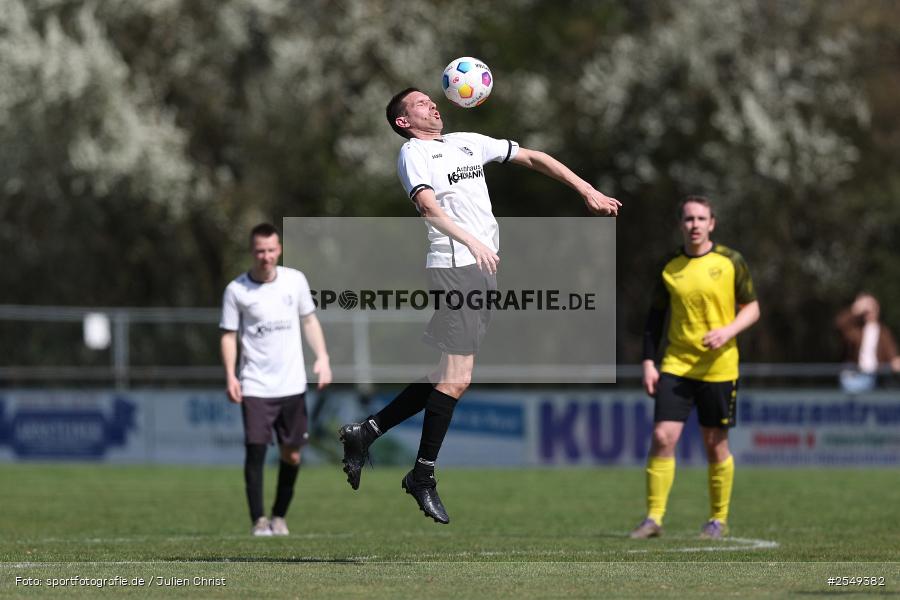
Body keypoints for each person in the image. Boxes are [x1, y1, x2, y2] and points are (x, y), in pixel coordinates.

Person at [338, 87, 620, 524]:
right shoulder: (414, 153)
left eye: (431, 100)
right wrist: (471, 241)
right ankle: (422, 475)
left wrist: (586, 189)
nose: (432, 104)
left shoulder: (466, 142)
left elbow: (532, 157)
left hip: (479, 268)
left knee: (444, 375)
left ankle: (366, 431)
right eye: (420, 103)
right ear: (403, 122)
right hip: (456, 267)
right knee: (458, 378)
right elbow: (428, 207)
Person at [631, 196, 759, 540]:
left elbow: (752, 307)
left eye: (701, 219)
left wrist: (728, 331)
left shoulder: (731, 261)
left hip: (719, 367)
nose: (695, 225)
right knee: (662, 437)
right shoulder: (670, 265)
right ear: (681, 224)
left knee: (715, 444)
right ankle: (653, 518)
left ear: (712, 223)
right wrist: (648, 362)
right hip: (677, 364)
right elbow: (654, 319)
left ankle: (718, 519)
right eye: (689, 219)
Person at [220, 223, 332, 536]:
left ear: (279, 249)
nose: (266, 256)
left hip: (292, 384)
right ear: (251, 251)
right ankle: (259, 520)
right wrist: (230, 374)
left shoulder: (295, 280)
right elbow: (228, 335)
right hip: (255, 384)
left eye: (271, 250)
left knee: (292, 454)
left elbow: (309, 320)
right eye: (260, 251)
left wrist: (322, 357)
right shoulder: (236, 290)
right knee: (256, 449)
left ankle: (279, 516)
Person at [835, 293, 900, 393]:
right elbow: (840, 325)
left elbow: (892, 355)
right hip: (855, 373)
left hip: (876, 375)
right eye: (866, 310)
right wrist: (856, 309)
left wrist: (895, 361)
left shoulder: (884, 332)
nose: (869, 312)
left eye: (873, 308)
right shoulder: (856, 330)